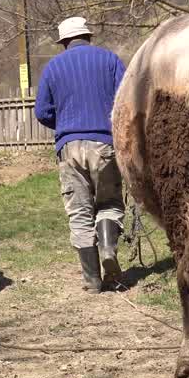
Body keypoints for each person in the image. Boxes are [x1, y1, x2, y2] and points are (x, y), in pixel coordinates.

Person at [34, 16, 127, 293]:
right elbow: (125, 100)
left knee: (79, 211)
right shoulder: (110, 60)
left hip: (69, 146)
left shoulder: (52, 68)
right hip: (105, 143)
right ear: (88, 36)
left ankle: (92, 280)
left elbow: (42, 112)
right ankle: (108, 249)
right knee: (109, 202)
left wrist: (64, 124)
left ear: (63, 42)